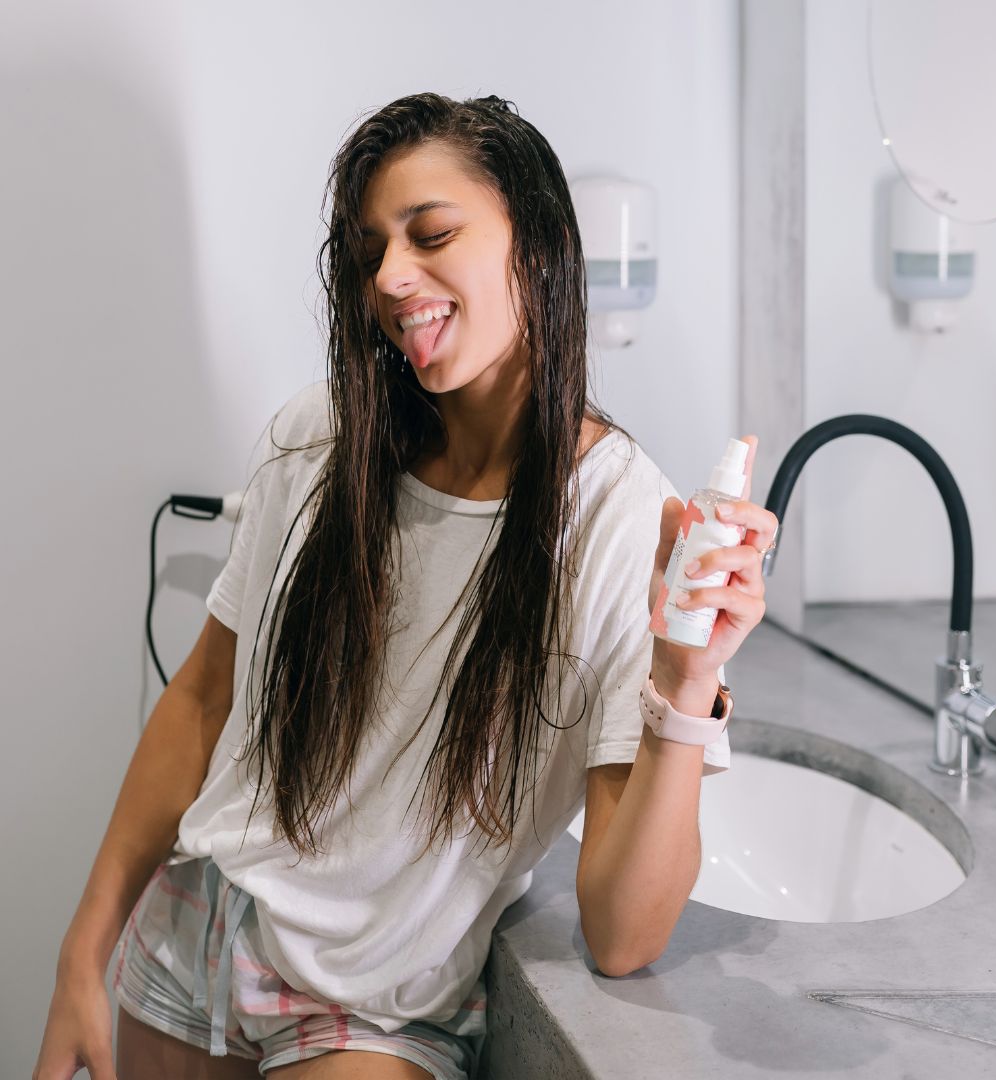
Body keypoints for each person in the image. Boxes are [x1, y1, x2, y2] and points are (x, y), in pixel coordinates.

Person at [33, 92, 777, 1080]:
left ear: (540, 245)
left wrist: (687, 685)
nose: (390, 276)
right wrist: (83, 952)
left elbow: (624, 935)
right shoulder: (320, 438)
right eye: (369, 249)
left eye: (431, 233)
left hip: (371, 1014)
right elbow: (204, 700)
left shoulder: (612, 514)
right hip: (191, 940)